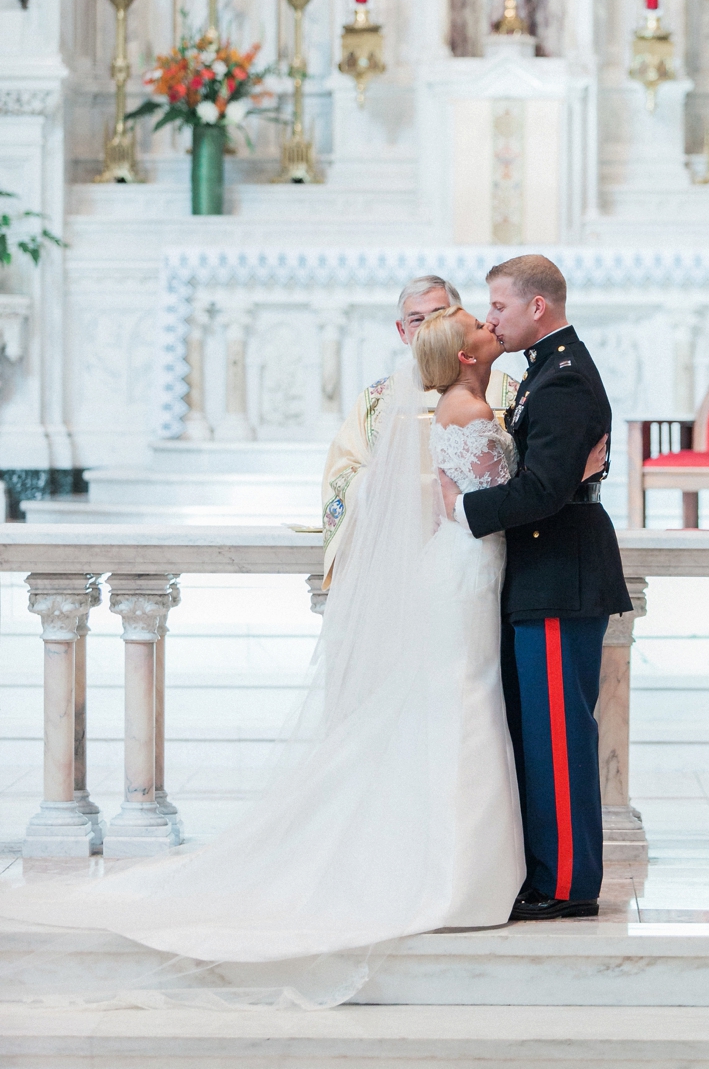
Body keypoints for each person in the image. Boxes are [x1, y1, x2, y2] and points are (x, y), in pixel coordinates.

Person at [0, 298, 603, 1006]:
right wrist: (574, 477)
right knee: (460, 704)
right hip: (469, 570)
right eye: (479, 322)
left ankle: (464, 863)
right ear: (466, 355)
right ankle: (452, 870)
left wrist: (557, 474)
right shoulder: (468, 413)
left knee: (459, 704)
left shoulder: (477, 401)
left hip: (476, 568)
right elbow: (504, 495)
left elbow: (492, 486)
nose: (488, 324)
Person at [440, 255, 631, 922]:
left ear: (537, 307)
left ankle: (569, 883)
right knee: (537, 731)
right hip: (543, 572)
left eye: (498, 306)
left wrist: (460, 510)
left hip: (560, 573)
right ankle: (545, 871)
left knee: (558, 735)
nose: (490, 318)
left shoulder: (563, 381)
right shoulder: (547, 372)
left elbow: (546, 490)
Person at [321, 274, 518, 587]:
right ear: (402, 330)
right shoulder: (376, 401)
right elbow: (341, 475)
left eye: (439, 315)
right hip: (396, 553)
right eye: (416, 320)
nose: (429, 327)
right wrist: (414, 491)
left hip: (487, 553)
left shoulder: (508, 392)